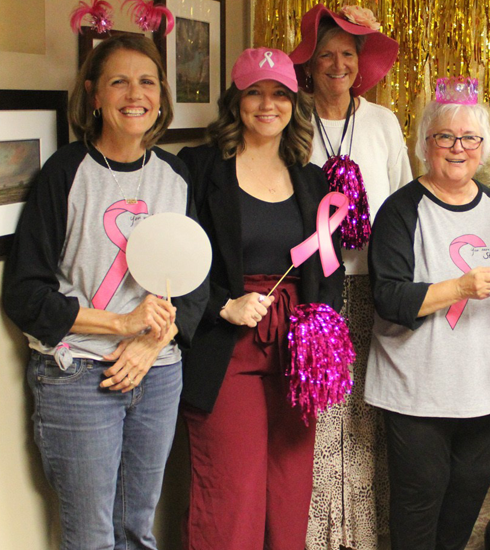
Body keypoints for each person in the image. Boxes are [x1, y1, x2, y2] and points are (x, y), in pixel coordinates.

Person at [2, 34, 206, 549]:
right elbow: (25, 294)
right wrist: (120, 324)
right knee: (90, 536)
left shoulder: (175, 176)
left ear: (161, 94)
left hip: (157, 377)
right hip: (78, 378)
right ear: (93, 95)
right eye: (119, 81)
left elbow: (196, 285)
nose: (134, 94)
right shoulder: (66, 174)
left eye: (146, 81)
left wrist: (150, 344)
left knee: (137, 529)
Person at [177, 48, 344, 550]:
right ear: (236, 99)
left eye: (279, 93)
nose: (267, 104)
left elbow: (325, 266)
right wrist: (222, 305)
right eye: (254, 92)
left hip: (298, 356)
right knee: (232, 496)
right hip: (227, 346)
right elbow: (178, 260)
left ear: (294, 102)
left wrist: (322, 329)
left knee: (291, 493)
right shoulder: (201, 168)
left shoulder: (310, 177)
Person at [366, 82, 490, 550]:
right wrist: (459, 288)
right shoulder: (401, 211)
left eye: (469, 138)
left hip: (489, 391)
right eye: (445, 137)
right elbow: (389, 298)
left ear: (483, 148)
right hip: (421, 395)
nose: (458, 148)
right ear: (424, 145)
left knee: (463, 506)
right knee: (418, 511)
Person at [289, 4, 411, 548]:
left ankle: (364, 532)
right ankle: (318, 533)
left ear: (359, 63)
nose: (337, 64)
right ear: (309, 65)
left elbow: (407, 204)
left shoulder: (383, 122)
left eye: (347, 54)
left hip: (376, 286)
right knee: (317, 411)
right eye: (325, 55)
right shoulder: (290, 120)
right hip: (314, 290)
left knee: (367, 409)